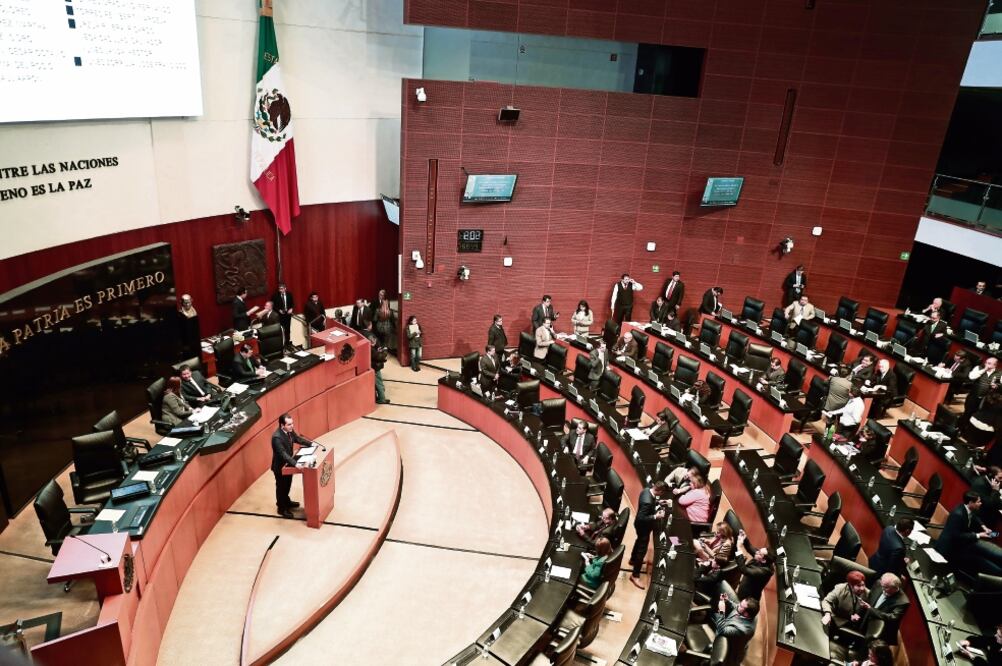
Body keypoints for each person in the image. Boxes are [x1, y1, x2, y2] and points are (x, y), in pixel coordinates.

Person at [935, 491, 1002, 575]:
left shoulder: (967, 508)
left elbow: (974, 516)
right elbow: (956, 536)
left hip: (964, 543)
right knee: (984, 562)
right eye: (978, 502)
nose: (981, 503)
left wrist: (983, 526)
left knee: (991, 552)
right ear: (971, 502)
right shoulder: (958, 515)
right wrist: (978, 535)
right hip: (951, 550)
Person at [629, 481, 668, 588]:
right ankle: (635, 576)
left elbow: (651, 502)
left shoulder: (646, 490)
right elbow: (642, 517)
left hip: (639, 526)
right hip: (643, 527)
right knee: (642, 550)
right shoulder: (648, 502)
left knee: (638, 541)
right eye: (662, 493)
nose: (661, 495)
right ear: (659, 490)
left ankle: (632, 559)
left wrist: (658, 503)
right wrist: (656, 517)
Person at [271, 413, 309, 518]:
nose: (292, 426)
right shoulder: (277, 438)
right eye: (289, 424)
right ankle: (281, 508)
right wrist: (296, 464)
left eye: (292, 424)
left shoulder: (290, 431)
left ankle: (287, 501)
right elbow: (283, 454)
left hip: (288, 464)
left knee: (287, 485)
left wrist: (310, 444)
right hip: (280, 467)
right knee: (281, 487)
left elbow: (297, 438)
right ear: (282, 425)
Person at [859, 573, 909, 642]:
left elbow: (892, 618)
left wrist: (871, 610)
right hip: (864, 621)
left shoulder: (903, 601)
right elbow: (869, 599)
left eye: (885, 587)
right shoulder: (879, 583)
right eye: (882, 586)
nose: (882, 589)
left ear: (895, 588)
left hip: (880, 633)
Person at [733, 531, 774, 600]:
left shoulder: (764, 571)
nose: (757, 551)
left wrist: (739, 547)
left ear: (763, 560)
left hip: (748, 595)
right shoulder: (761, 557)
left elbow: (744, 570)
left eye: (759, 553)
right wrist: (744, 537)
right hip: (746, 584)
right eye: (759, 550)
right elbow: (749, 547)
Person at [965, 356, 1000, 424]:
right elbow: (971, 377)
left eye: (989, 363)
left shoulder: (999, 373)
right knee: (967, 413)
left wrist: (997, 386)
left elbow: (1000, 385)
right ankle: (961, 428)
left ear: (995, 365)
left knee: (978, 416)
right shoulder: (978, 368)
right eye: (986, 362)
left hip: (986, 400)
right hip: (973, 396)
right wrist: (984, 370)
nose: (986, 364)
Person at [364, 321, 390, 404]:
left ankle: (376, 397)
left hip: (369, 366)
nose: (376, 344)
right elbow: (379, 357)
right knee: (379, 383)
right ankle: (382, 399)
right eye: (374, 343)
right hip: (375, 366)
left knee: (374, 383)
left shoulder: (367, 346)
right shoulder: (372, 350)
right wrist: (385, 351)